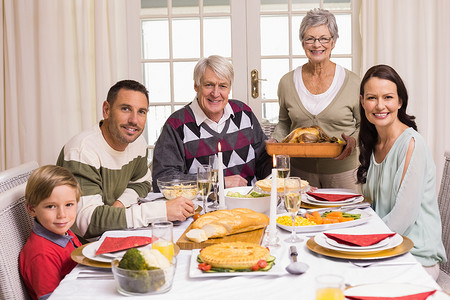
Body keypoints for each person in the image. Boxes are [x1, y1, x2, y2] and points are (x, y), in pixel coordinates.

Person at [57, 80, 194, 241]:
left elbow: (142, 183)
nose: (134, 120)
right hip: (82, 246)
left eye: (141, 112)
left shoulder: (137, 143)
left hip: (113, 232)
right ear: (106, 110)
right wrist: (159, 211)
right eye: (125, 109)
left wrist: (120, 204)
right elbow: (88, 223)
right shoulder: (82, 151)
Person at [357, 64, 446, 279]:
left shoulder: (412, 144)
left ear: (400, 101)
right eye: (371, 98)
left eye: (387, 97)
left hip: (415, 256)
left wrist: (357, 241)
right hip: (385, 248)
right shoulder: (374, 142)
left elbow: (402, 218)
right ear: (362, 101)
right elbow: (371, 205)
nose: (379, 106)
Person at [270, 8, 360, 192]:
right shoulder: (287, 82)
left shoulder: (353, 82)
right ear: (303, 43)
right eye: (310, 38)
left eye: (324, 38)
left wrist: (353, 141)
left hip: (343, 172)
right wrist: (275, 140)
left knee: (346, 219)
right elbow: (284, 123)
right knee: (301, 219)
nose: (316, 44)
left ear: (333, 42)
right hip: (299, 173)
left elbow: (364, 124)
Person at [152, 55, 272, 192]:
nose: (215, 93)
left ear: (229, 88)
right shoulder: (177, 125)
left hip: (249, 202)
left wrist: (276, 161)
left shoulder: (244, 113)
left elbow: (263, 160)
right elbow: (163, 179)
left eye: (222, 86)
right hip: (200, 208)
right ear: (196, 86)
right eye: (209, 85)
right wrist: (218, 181)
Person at [19, 165, 82, 300]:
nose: (62, 214)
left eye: (69, 204)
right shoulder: (41, 254)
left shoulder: (65, 233)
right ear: (32, 209)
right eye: (51, 206)